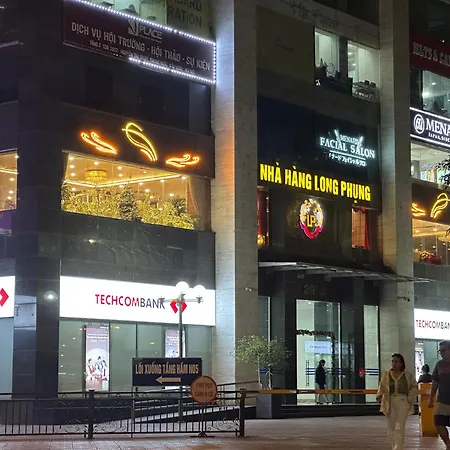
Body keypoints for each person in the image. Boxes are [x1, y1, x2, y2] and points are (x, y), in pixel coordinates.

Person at [377, 353, 418, 450]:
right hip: (389, 401)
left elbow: (414, 387)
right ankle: (394, 446)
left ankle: (398, 448)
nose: (393, 364)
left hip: (402, 401)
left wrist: (409, 398)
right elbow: (382, 387)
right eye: (392, 361)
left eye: (396, 361)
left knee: (400, 426)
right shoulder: (386, 375)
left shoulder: (407, 375)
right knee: (390, 427)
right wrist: (379, 396)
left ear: (401, 363)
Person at [429, 340, 450, 450]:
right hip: (442, 400)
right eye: (440, 351)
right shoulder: (439, 365)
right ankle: (448, 443)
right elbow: (435, 382)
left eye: (443, 350)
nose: (441, 353)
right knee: (438, 422)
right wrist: (431, 398)